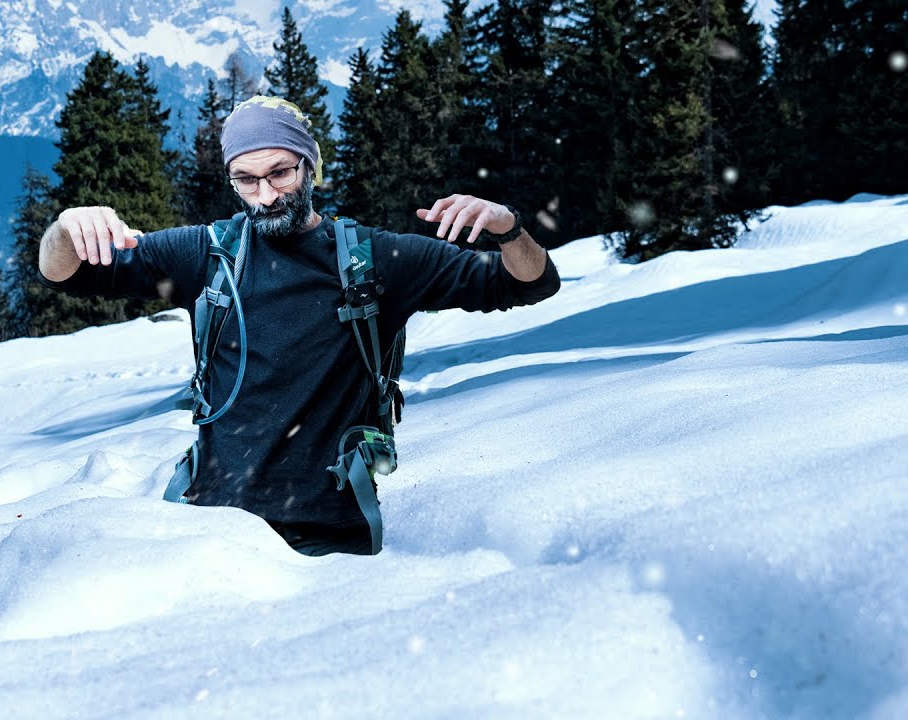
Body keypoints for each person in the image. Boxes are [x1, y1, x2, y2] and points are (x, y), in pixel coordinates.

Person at [38, 96, 560, 556]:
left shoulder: (374, 258)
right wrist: (65, 229)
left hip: (333, 538)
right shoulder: (207, 254)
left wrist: (508, 229)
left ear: (309, 167)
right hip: (208, 533)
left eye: (280, 173)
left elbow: (529, 284)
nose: (266, 194)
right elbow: (66, 275)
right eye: (247, 179)